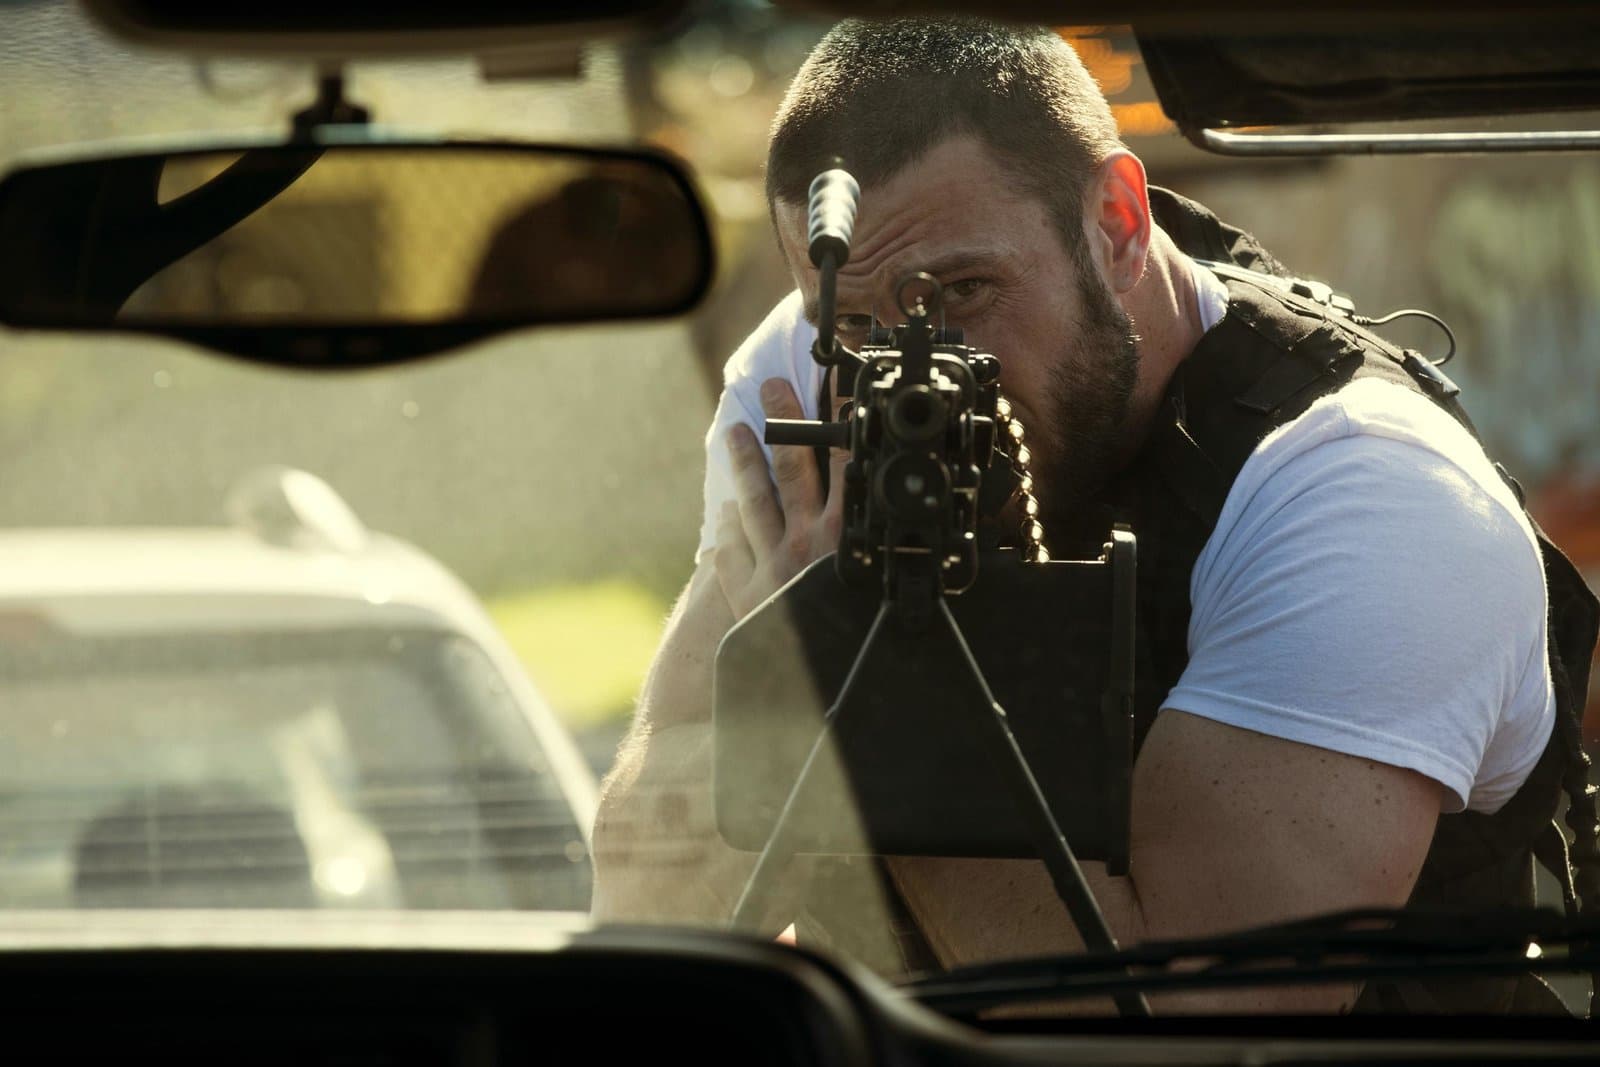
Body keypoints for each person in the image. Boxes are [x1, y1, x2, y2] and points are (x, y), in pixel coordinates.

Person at [590, 19, 1598, 1014]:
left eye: (963, 292)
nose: (912, 366)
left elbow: (1190, 1022)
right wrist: (798, 682)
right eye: (856, 323)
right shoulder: (805, 377)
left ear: (1115, 224)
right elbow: (644, 907)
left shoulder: (1363, 496)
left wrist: (860, 682)